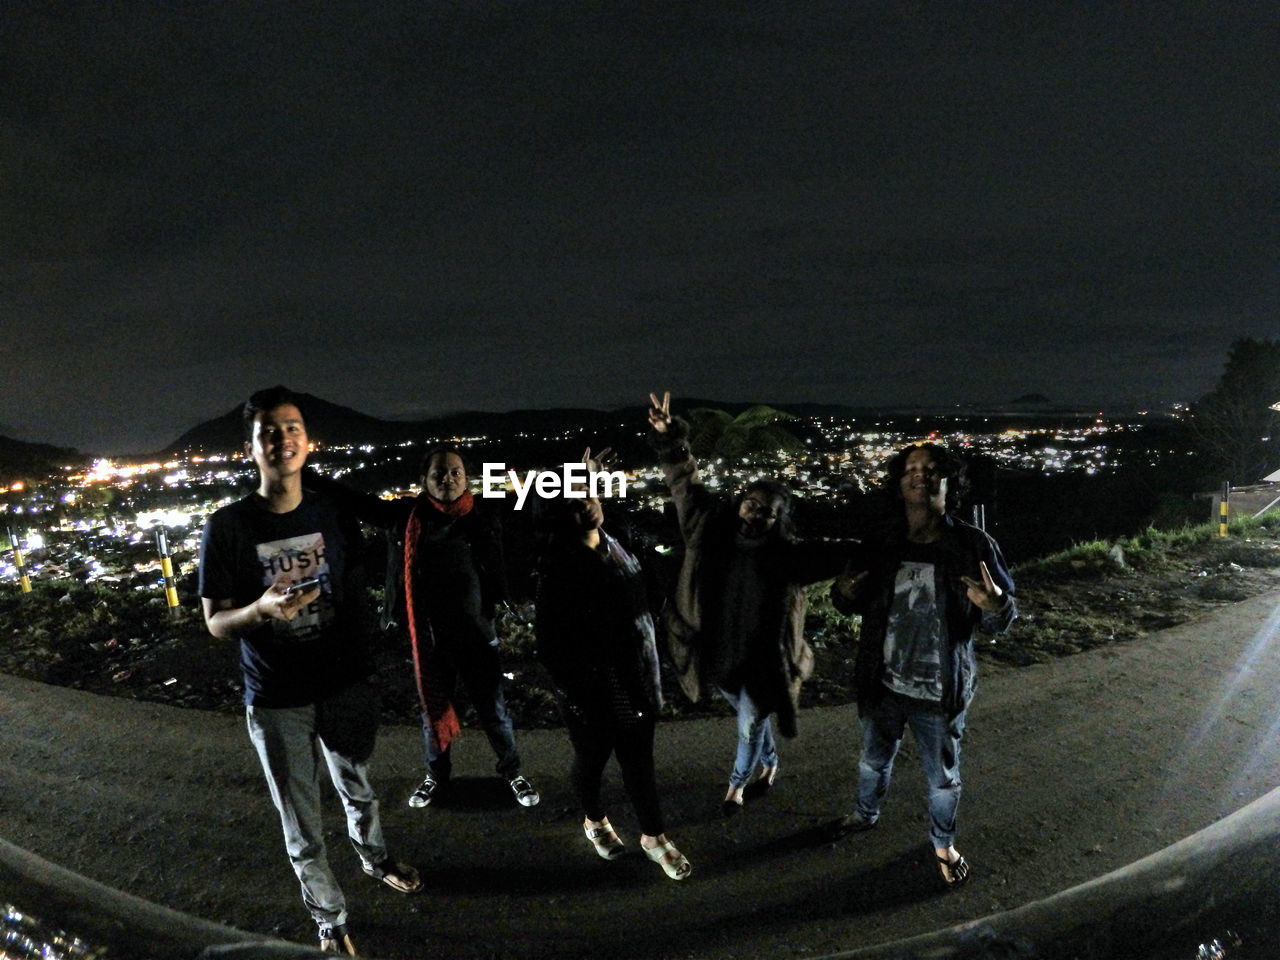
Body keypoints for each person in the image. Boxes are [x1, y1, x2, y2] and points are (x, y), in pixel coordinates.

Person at [198, 386, 420, 956]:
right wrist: (260, 611)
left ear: (308, 441)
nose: (282, 438)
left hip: (341, 682)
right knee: (301, 820)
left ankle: (374, 857)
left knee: (359, 788)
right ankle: (330, 916)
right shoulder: (228, 526)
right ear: (251, 448)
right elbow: (217, 623)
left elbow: (356, 584)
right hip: (276, 695)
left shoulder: (331, 511)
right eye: (269, 430)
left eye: (292, 427)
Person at [305, 445, 539, 810]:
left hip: (478, 636)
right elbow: (354, 501)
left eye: (455, 472)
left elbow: (536, 504)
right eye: (439, 473)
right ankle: (436, 776)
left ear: (467, 478)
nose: (448, 479)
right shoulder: (406, 518)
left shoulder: (482, 515)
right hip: (429, 640)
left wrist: (584, 477)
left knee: (494, 711)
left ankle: (512, 772)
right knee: (433, 714)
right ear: (424, 481)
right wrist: (304, 473)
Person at [647, 391, 846, 813]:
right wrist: (670, 439)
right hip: (719, 658)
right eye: (751, 504)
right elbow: (685, 485)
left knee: (750, 725)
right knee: (751, 721)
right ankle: (770, 763)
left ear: (778, 520)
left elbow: (842, 552)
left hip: (763, 665)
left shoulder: (787, 559)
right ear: (740, 503)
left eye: (767, 511)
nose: (755, 514)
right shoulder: (708, 536)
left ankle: (737, 785)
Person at [830, 442, 1016, 888]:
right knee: (873, 761)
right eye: (911, 468)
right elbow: (846, 599)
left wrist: (994, 605)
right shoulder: (881, 541)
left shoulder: (972, 543)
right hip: (884, 684)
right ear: (899, 481)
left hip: (940, 691)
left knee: (943, 780)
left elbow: (1005, 615)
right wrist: (844, 594)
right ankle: (865, 812)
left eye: (932, 469)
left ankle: (943, 844)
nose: (921, 475)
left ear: (948, 482)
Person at [533, 452, 691, 880]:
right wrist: (579, 692)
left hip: (638, 672)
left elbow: (655, 580)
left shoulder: (621, 536)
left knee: (640, 759)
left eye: (587, 495)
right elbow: (550, 643)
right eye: (573, 501)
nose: (585, 504)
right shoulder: (559, 567)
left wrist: (589, 479)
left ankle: (654, 836)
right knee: (593, 758)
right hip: (593, 686)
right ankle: (594, 819)